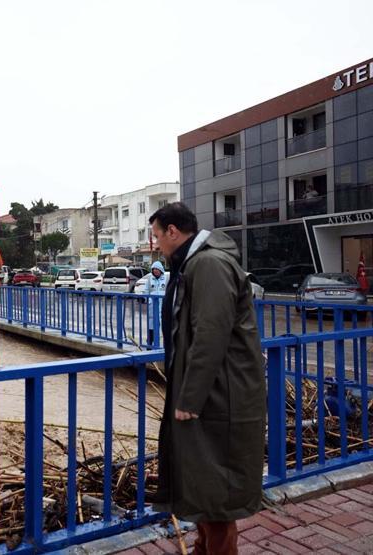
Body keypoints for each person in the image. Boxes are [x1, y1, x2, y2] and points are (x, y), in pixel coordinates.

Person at [148, 202, 265, 555]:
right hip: (214, 391)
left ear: (173, 231)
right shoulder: (193, 263)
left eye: (156, 236)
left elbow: (210, 335)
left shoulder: (208, 264)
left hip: (219, 395)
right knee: (203, 481)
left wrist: (189, 398)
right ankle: (203, 548)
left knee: (216, 488)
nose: (155, 244)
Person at [137, 260, 168, 347]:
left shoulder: (165, 279)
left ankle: (167, 346)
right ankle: (150, 345)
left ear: (160, 270)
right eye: (154, 269)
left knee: (165, 327)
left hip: (163, 307)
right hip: (152, 308)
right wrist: (143, 298)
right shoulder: (149, 280)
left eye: (157, 269)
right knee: (152, 327)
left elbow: (170, 292)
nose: (155, 271)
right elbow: (146, 291)